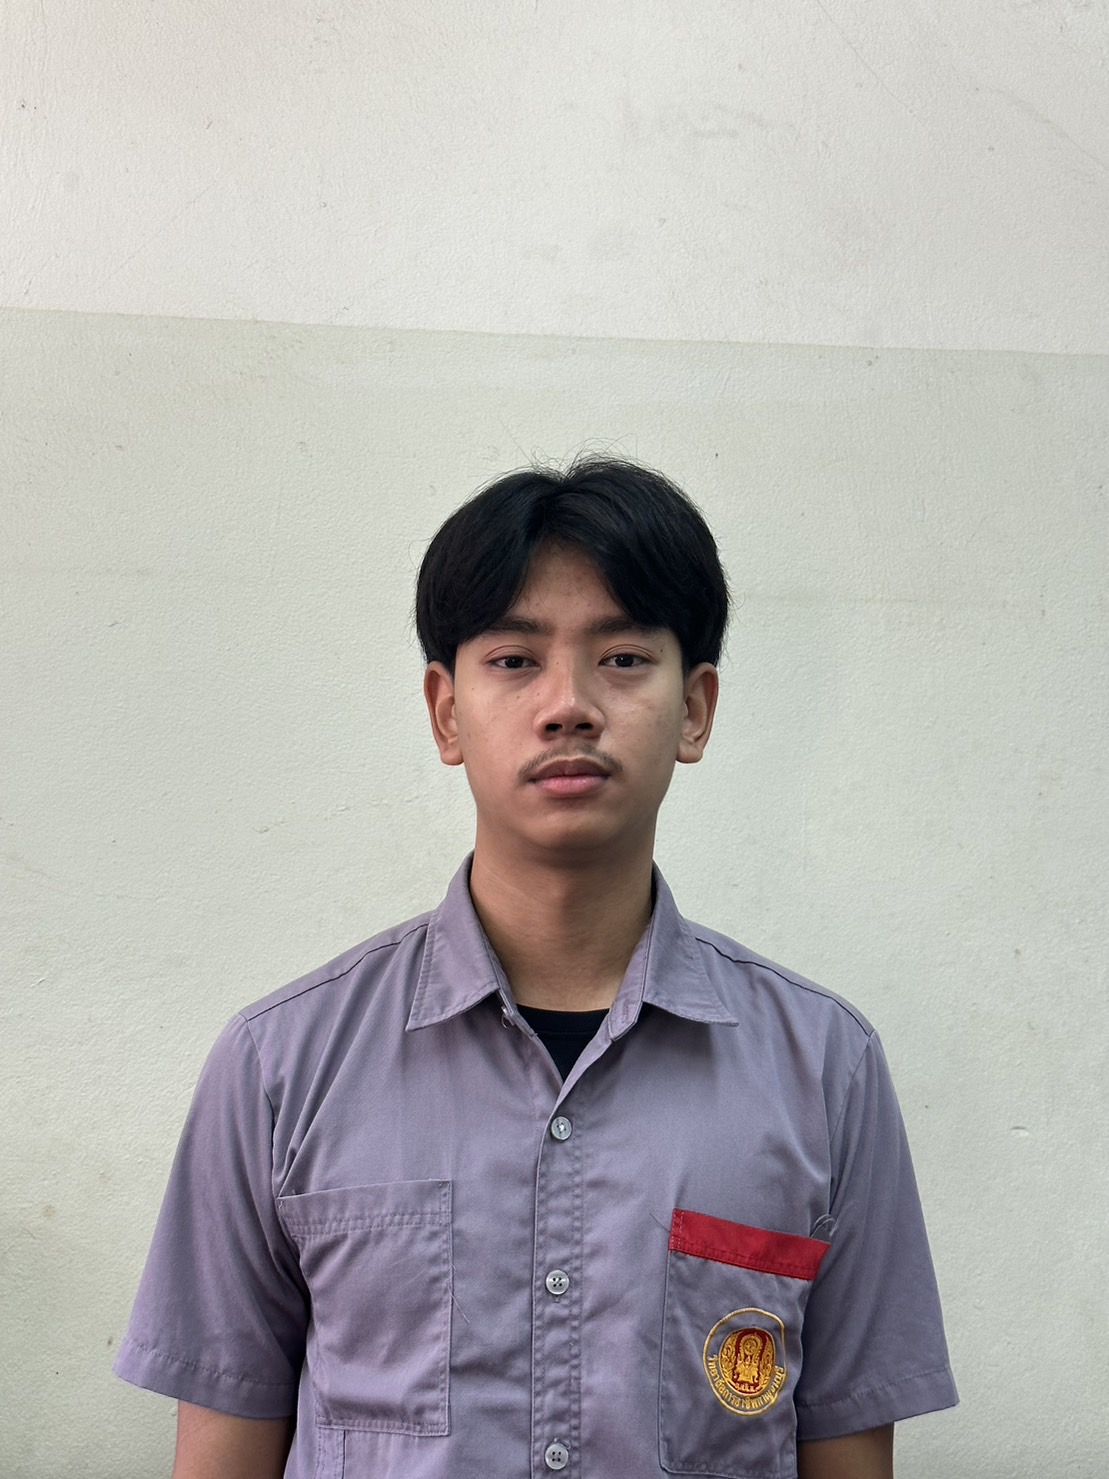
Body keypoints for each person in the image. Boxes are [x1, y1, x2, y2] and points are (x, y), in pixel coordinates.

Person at [115, 457, 957, 1479]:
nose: (567, 705)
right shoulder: (280, 1066)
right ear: (445, 711)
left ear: (694, 708)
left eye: (622, 659)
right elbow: (222, 1453)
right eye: (514, 660)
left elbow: (846, 1456)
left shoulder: (824, 1069)